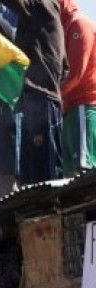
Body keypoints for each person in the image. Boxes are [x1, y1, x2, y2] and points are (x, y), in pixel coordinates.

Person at [0, 0, 68, 183]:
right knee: (43, 178)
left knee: (40, 182)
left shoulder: (39, 4)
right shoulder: (50, 16)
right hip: (45, 103)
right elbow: (65, 69)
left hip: (38, 103)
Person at [58, 0, 96, 175]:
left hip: (83, 106)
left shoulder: (78, 24)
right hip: (71, 108)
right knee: (70, 175)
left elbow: (75, 73)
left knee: (81, 173)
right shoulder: (65, 27)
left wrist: (54, 98)